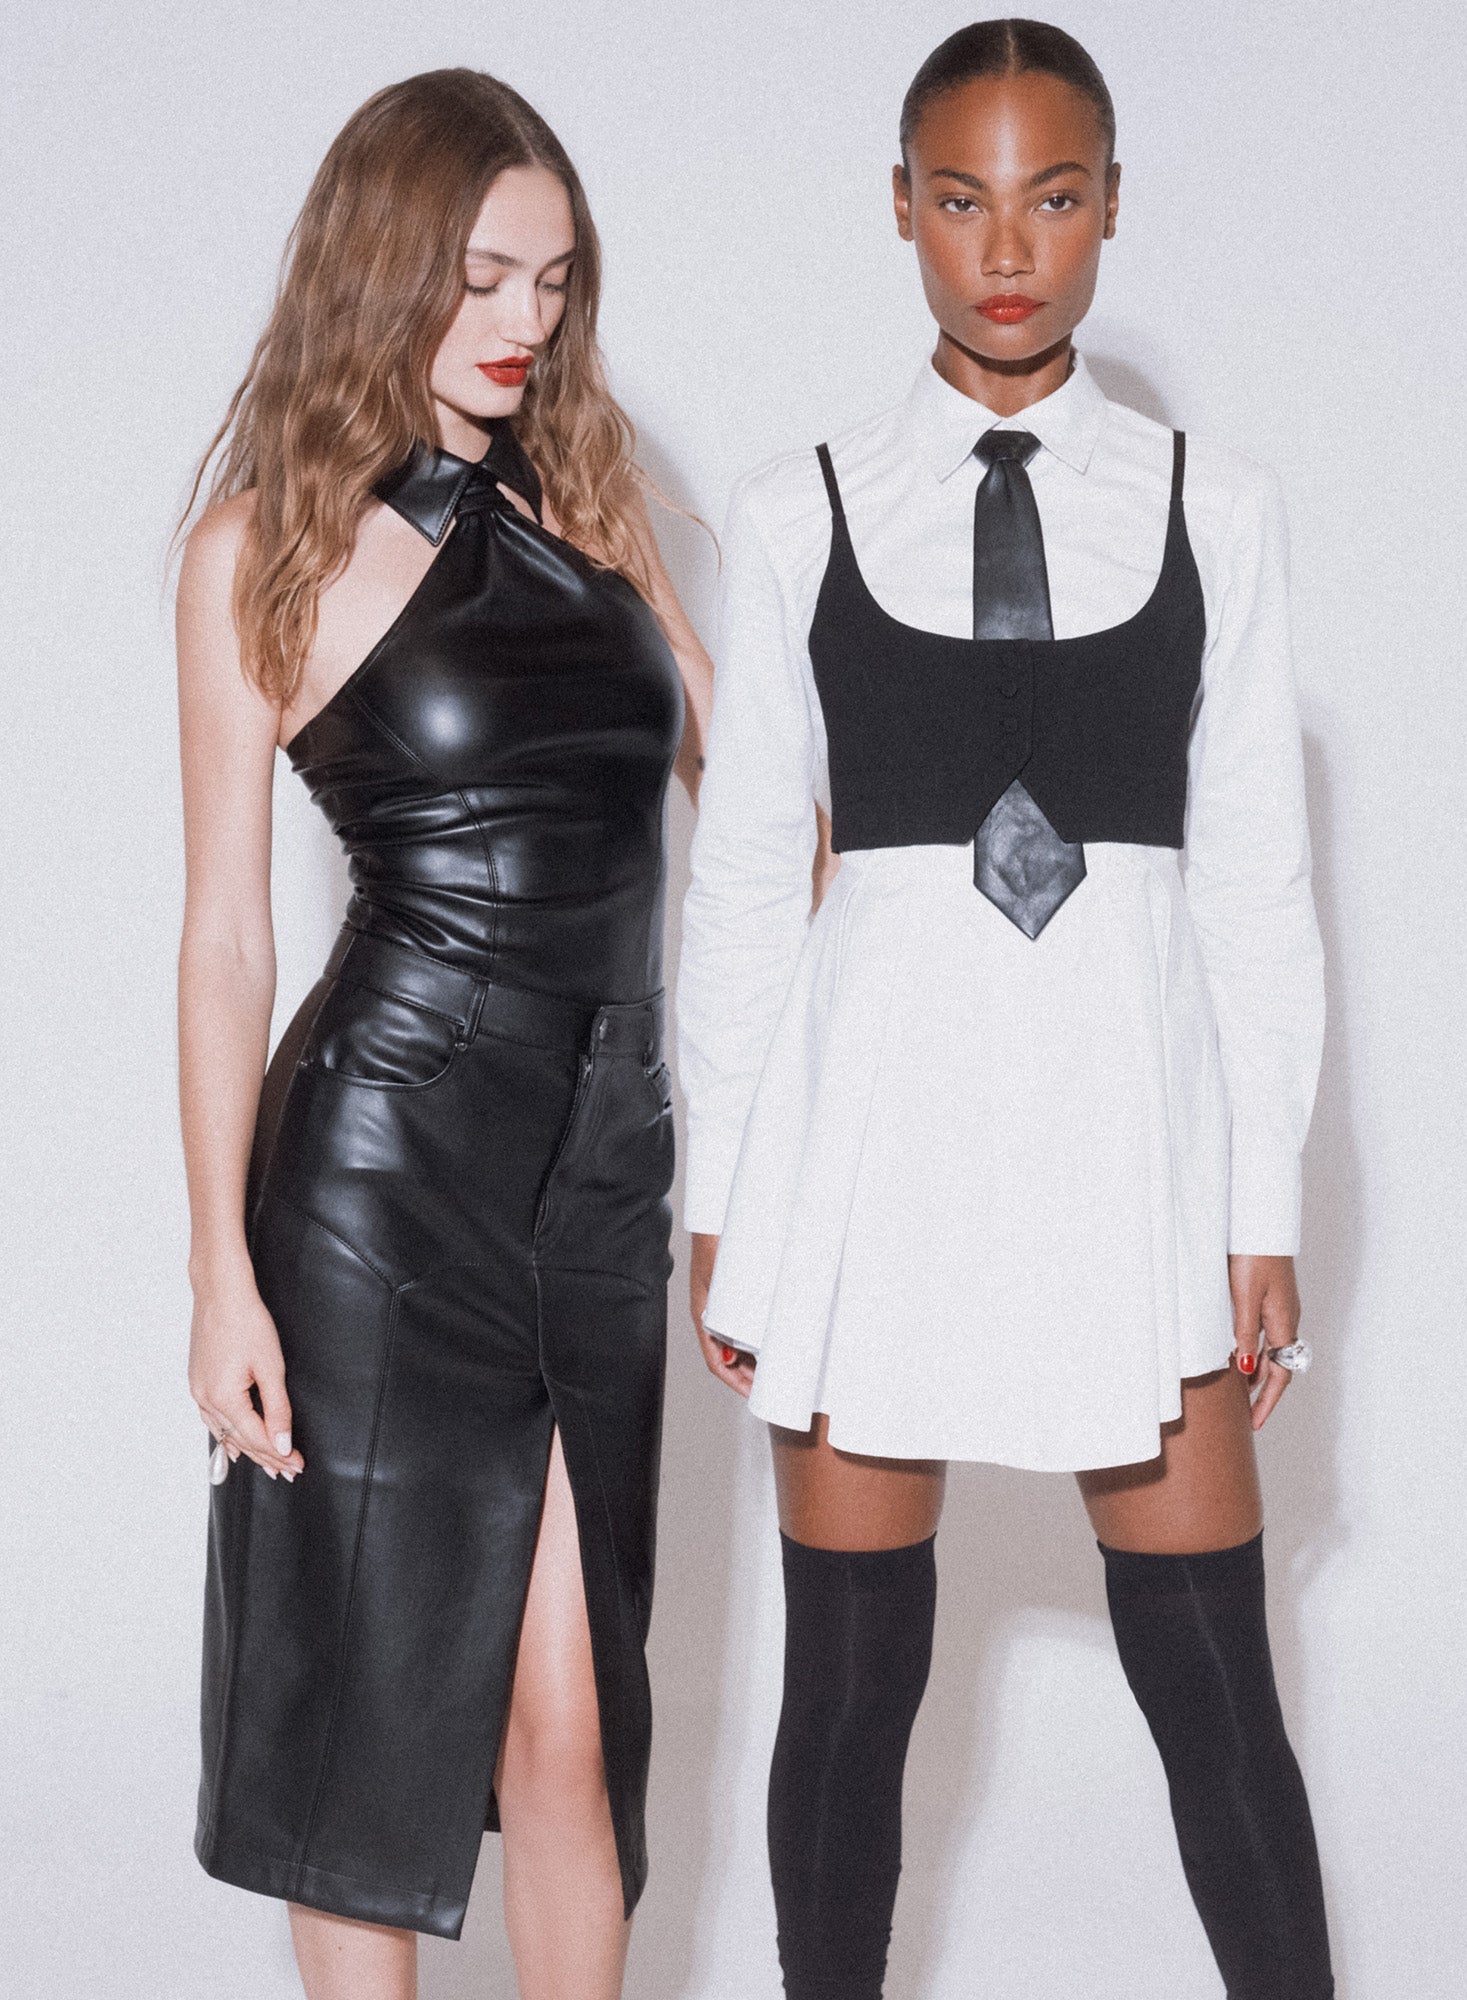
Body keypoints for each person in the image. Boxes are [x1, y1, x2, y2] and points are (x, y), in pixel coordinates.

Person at [679, 19, 1333, 1998]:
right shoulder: (796, 509)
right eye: (961, 199)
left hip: (1128, 1145)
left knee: (1212, 1683)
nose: (1007, 248)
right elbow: (741, 886)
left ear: (1111, 204)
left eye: (1051, 198)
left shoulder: (1218, 505)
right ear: (900, 208)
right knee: (847, 1694)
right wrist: (726, 1202)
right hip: (874, 1155)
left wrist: (1260, 1204)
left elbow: (1254, 881)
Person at [176, 68, 711, 2000]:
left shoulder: (593, 512)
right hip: (381, 1184)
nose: (522, 323)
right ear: (382, 264)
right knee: (373, 1733)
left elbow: (749, 809)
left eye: (553, 285)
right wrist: (220, 1277)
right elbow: (228, 936)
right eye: (482, 277)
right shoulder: (262, 548)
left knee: (570, 1727)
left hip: (597, 1177)